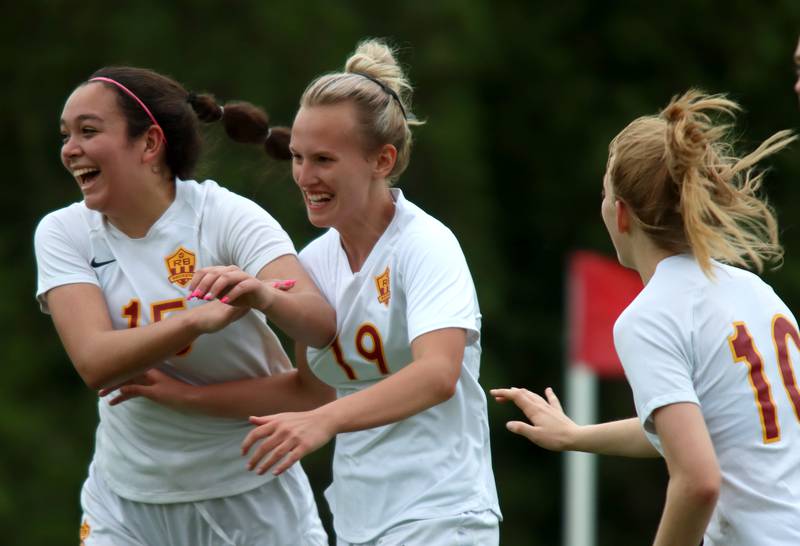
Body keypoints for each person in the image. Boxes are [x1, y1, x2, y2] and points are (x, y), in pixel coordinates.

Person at [113, 39, 502, 545]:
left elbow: (437, 374)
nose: (304, 176)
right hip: (360, 521)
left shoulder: (426, 245)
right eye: (297, 157)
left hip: (444, 516)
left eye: (323, 159)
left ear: (382, 160)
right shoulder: (315, 262)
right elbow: (308, 390)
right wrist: (185, 396)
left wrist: (322, 422)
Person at [36, 66, 336, 546]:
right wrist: (196, 320)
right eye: (66, 135)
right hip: (125, 504)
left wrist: (262, 295)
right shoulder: (64, 232)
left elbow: (320, 324)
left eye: (88, 131)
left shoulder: (224, 217)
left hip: (250, 494)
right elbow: (94, 362)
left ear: (150, 144)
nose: (70, 149)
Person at [492, 90, 800, 545]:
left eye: (604, 192)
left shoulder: (650, 317)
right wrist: (576, 435)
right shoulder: (755, 292)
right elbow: (699, 426)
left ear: (620, 214)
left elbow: (698, 481)